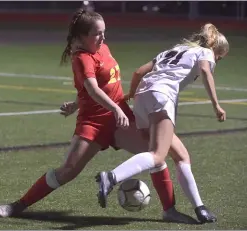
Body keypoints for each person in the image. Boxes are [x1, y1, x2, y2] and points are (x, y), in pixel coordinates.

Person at [0, 8, 193, 223]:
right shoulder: (81, 58)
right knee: (68, 171)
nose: (103, 37)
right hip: (94, 123)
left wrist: (77, 103)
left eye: (104, 32)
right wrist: (114, 108)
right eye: (97, 33)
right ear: (82, 36)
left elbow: (104, 86)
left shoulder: (104, 49)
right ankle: (19, 205)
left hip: (119, 120)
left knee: (154, 156)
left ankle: (169, 210)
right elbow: (93, 90)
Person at [96, 23, 229, 223]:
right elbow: (205, 71)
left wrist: (132, 93)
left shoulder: (174, 50)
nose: (217, 60)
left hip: (143, 97)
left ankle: (196, 208)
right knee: (158, 156)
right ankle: (112, 177)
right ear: (215, 49)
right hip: (161, 96)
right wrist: (216, 105)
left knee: (181, 156)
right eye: (219, 57)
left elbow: (139, 72)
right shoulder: (205, 53)